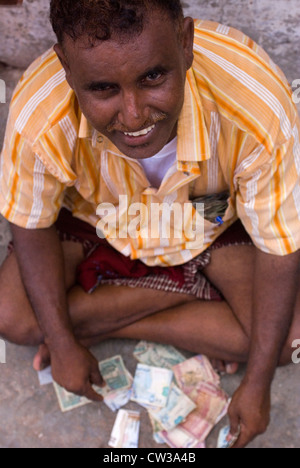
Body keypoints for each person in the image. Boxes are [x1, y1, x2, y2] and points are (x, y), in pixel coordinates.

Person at [0, 0, 299, 448]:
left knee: (289, 341)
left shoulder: (256, 108)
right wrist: (63, 346)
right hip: (97, 218)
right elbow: (29, 223)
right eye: (103, 88)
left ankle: (107, 315)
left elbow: (279, 247)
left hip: (208, 219)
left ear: (186, 43)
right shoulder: (39, 115)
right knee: (13, 319)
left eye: (153, 77)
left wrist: (258, 386)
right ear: (64, 65)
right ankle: (183, 289)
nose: (135, 116)